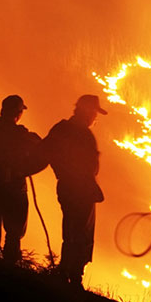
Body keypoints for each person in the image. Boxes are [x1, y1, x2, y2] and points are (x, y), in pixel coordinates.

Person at [39, 95, 107, 289]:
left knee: (70, 230)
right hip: (82, 190)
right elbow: (91, 168)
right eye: (95, 112)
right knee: (81, 233)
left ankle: (65, 271)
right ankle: (74, 276)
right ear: (87, 111)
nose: (95, 117)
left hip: (66, 188)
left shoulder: (60, 129)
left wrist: (24, 167)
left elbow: (43, 153)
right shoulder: (84, 135)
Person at [0, 95, 45, 262]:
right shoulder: (20, 134)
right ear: (18, 113)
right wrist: (25, 169)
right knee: (15, 228)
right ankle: (10, 260)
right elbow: (43, 149)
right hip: (14, 186)